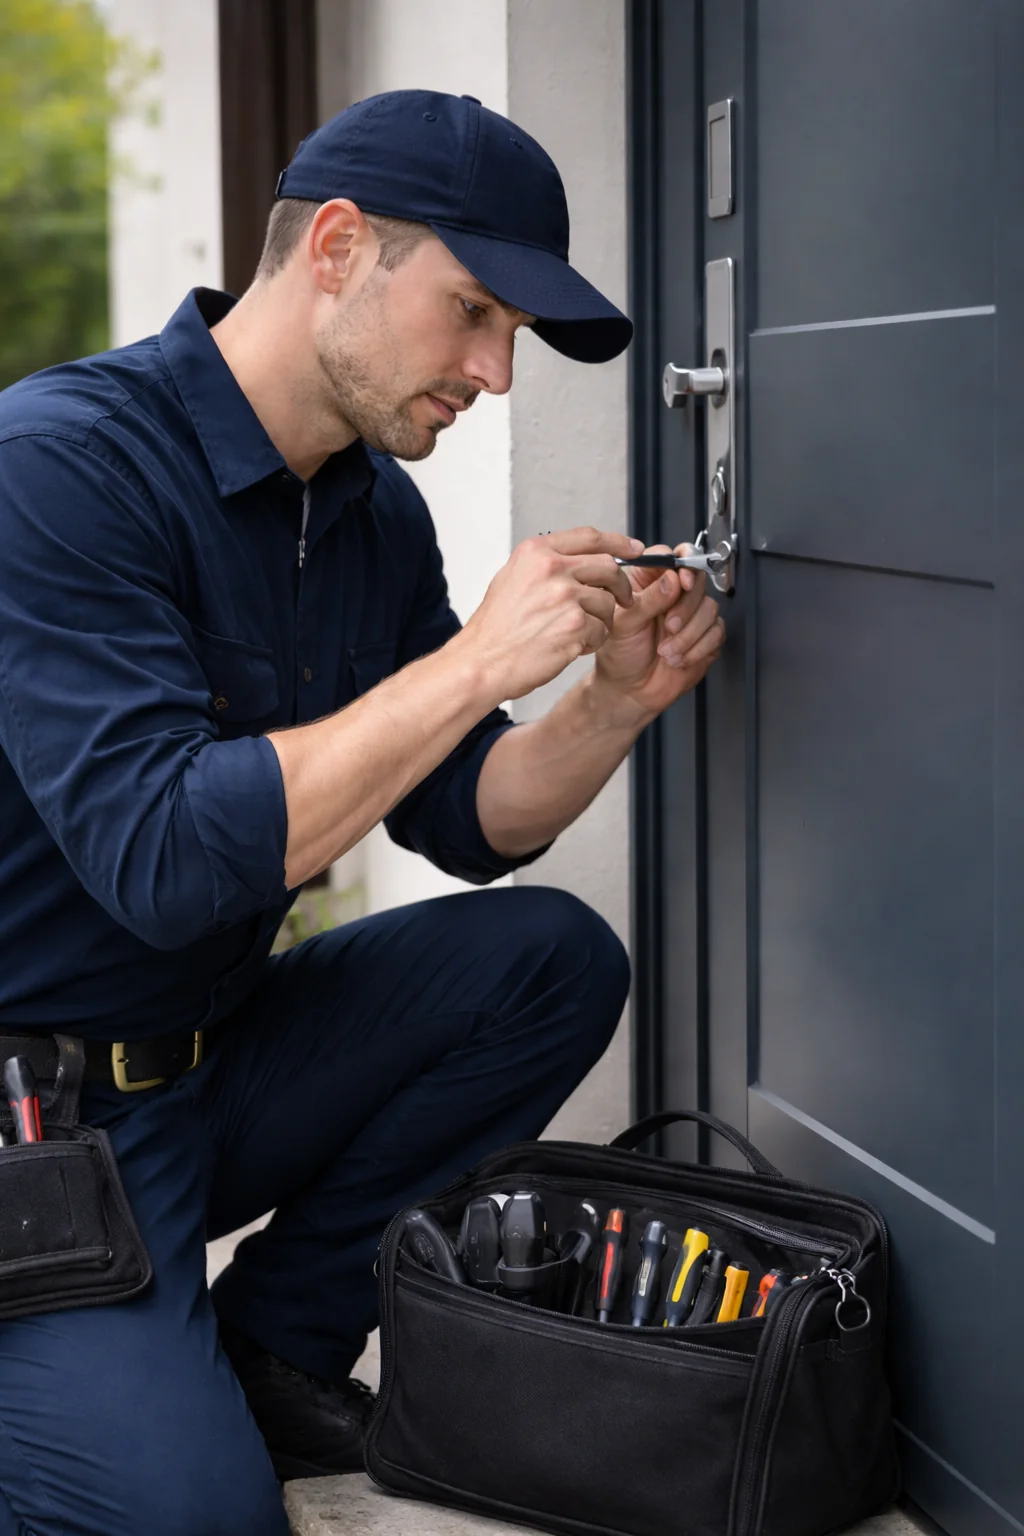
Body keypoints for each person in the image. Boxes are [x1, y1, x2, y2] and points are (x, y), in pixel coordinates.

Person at [0, 90, 724, 1535]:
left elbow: (469, 820)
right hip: (31, 1129)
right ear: (337, 246)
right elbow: (161, 859)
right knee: (196, 1521)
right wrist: (470, 666)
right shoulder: (59, 465)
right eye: (474, 314)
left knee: (548, 960)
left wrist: (608, 701)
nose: (495, 375)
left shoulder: (366, 510)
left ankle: (273, 1343)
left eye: (513, 336)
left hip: (206, 1074)